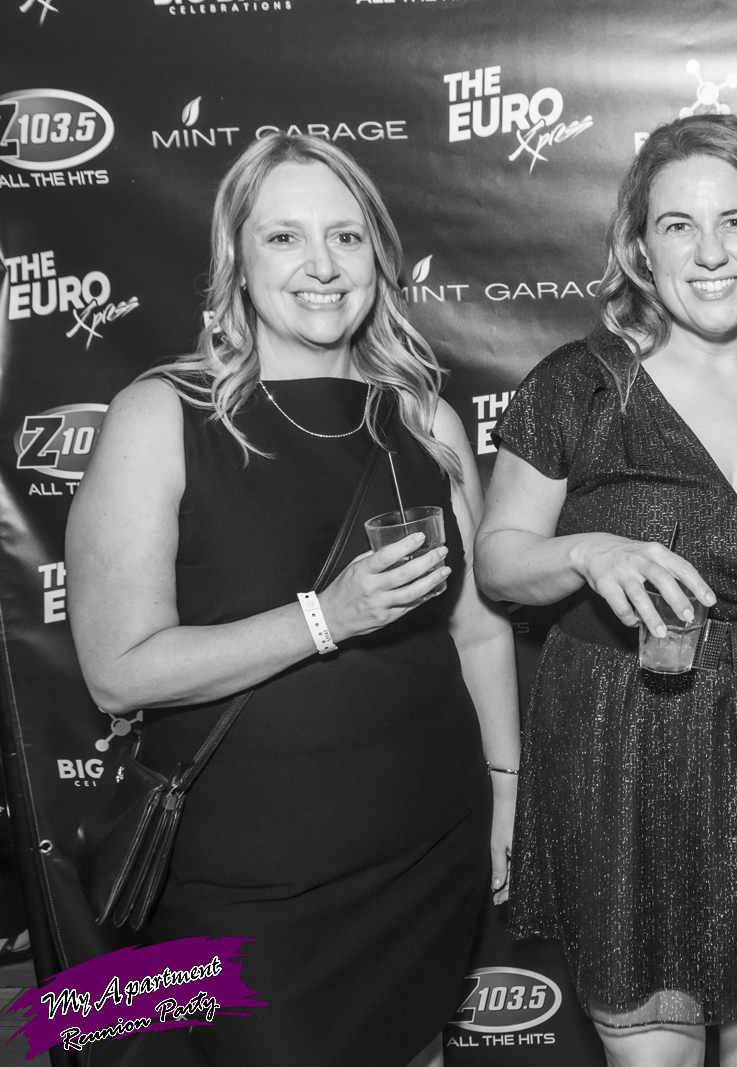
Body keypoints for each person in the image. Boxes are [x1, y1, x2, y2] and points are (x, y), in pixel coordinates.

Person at [66, 133, 519, 1067]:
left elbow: (477, 632)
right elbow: (118, 672)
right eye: (284, 238)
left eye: (346, 237)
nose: (322, 265)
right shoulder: (164, 416)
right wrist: (326, 617)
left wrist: (508, 793)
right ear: (236, 259)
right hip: (248, 880)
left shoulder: (424, 421)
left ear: (377, 258)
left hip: (429, 844)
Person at [474, 114, 737, 1067]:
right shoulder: (580, 384)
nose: (711, 252)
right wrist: (587, 551)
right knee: (654, 1046)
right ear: (641, 247)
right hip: (622, 736)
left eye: (736, 220)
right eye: (679, 225)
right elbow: (499, 559)